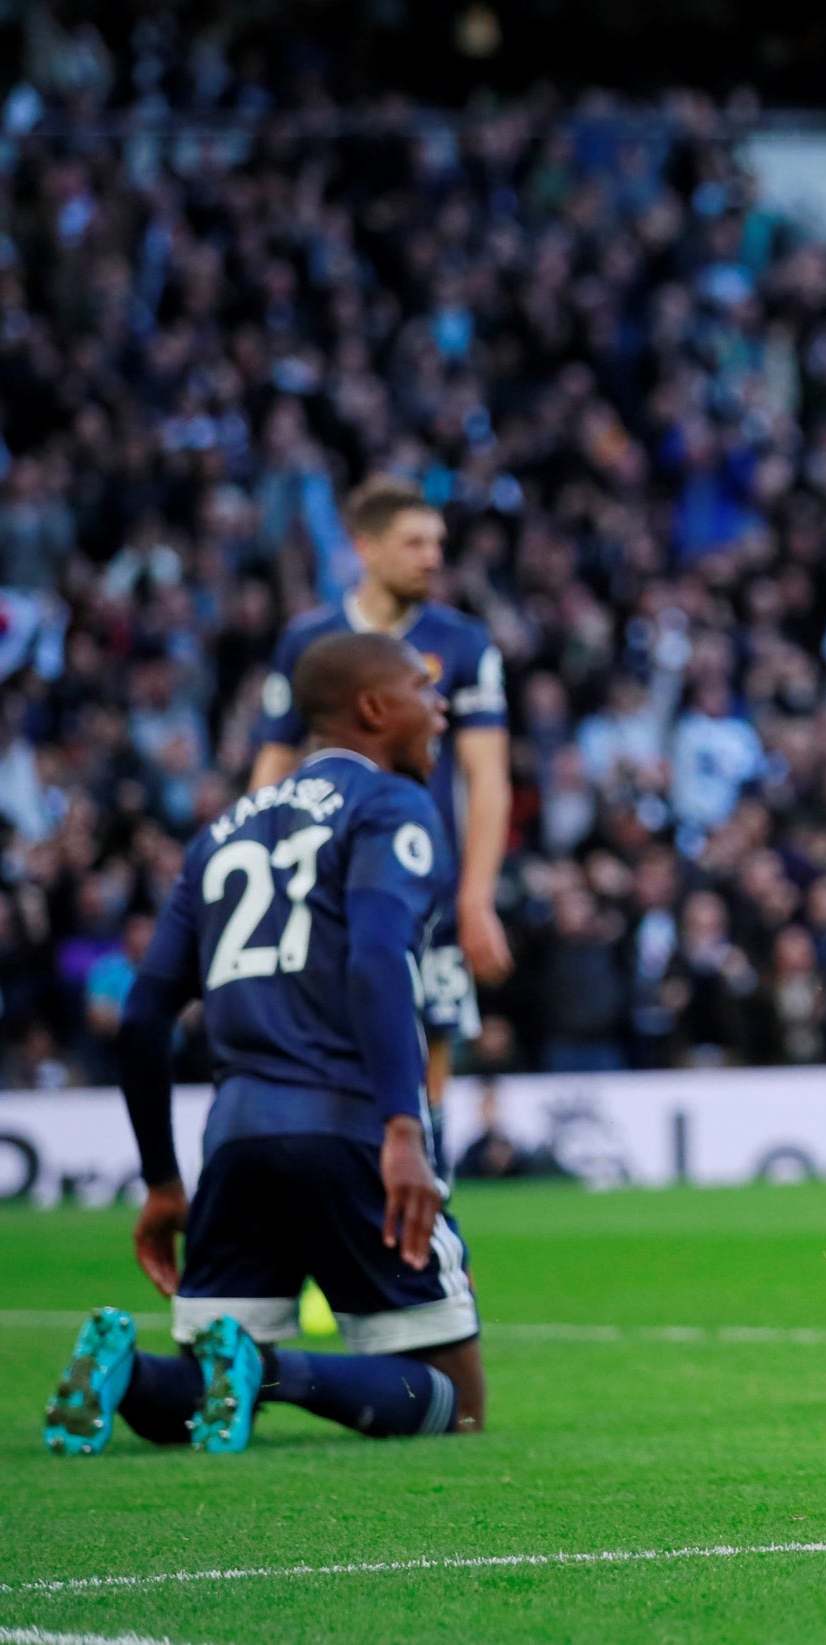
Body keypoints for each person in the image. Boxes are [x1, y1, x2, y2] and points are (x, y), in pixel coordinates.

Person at [42, 631, 486, 1454]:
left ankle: (129, 1374)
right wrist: (401, 1126)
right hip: (351, 1126)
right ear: (373, 708)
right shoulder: (389, 805)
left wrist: (162, 1181)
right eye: (424, 692)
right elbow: (377, 957)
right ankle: (271, 1368)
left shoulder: (221, 833)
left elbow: (143, 1016)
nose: (441, 708)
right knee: (456, 1404)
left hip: (237, 1138)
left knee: (204, 1381)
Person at [251, 477, 512, 1150]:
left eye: (437, 544)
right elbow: (273, 764)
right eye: (414, 543)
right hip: (324, 884)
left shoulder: (462, 642)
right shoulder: (311, 641)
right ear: (365, 548)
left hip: (426, 885)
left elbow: (487, 776)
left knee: (429, 1060)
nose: (432, 557)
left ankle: (426, 1222)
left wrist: (476, 895)